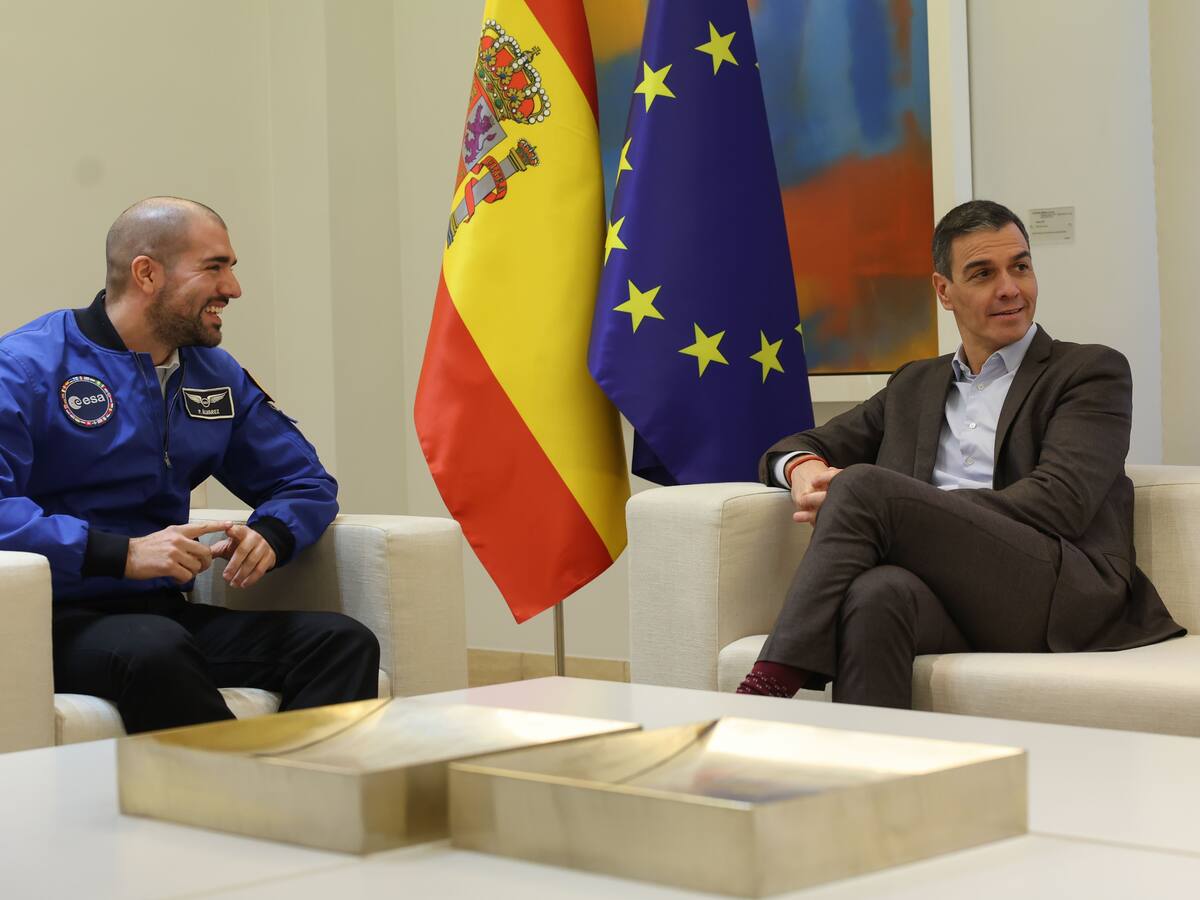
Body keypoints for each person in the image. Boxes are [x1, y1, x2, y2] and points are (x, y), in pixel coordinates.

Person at [737, 199, 1184, 708]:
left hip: (1054, 590)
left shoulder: (1089, 372)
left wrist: (905, 513)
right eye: (983, 273)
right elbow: (793, 447)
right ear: (944, 291)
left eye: (1020, 267)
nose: (1010, 288)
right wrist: (802, 468)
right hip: (949, 594)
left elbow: (1060, 503)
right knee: (876, 594)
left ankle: (765, 690)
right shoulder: (914, 385)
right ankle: (870, 755)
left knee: (863, 487)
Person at [0, 197, 380, 734]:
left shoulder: (212, 373)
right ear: (147, 273)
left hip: (161, 611)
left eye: (231, 268)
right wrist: (123, 553)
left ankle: (298, 784)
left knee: (341, 642)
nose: (233, 288)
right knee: (156, 648)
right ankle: (243, 786)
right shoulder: (25, 367)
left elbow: (305, 481)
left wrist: (273, 533)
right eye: (214, 267)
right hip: (49, 618)